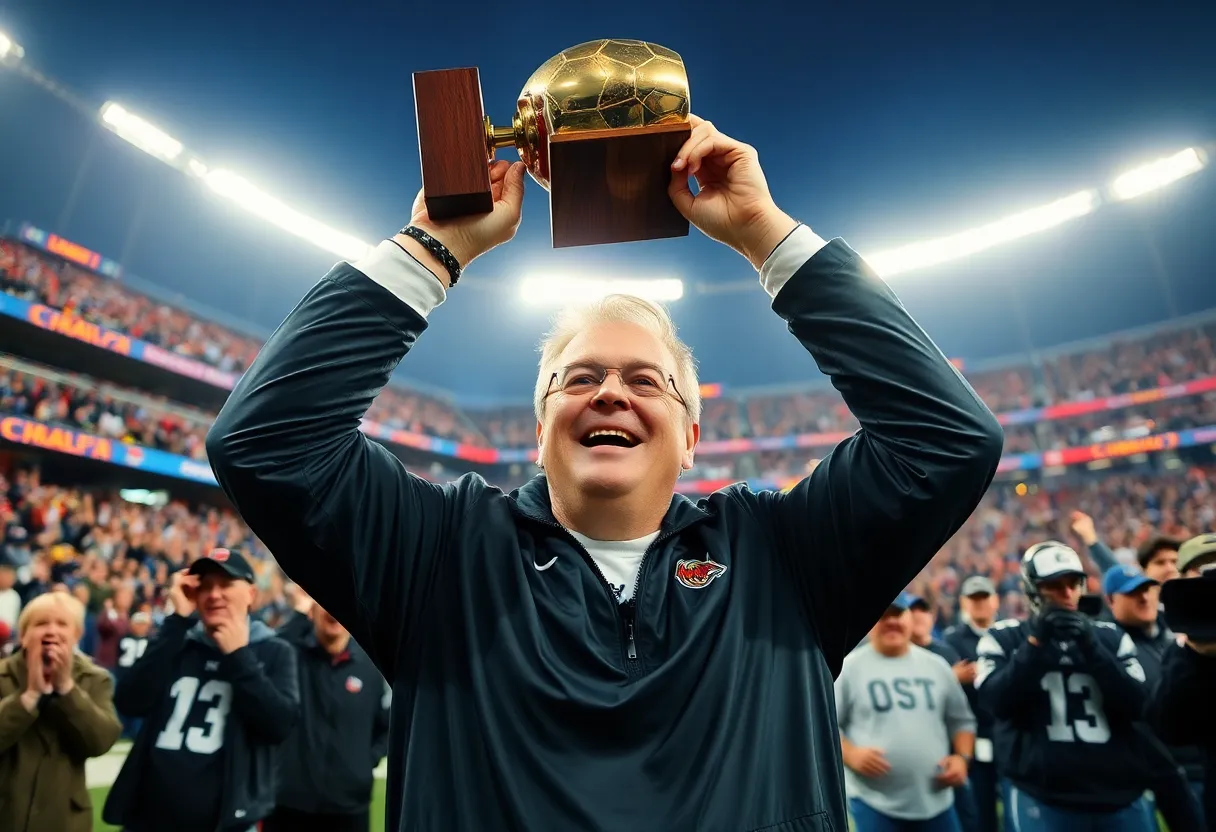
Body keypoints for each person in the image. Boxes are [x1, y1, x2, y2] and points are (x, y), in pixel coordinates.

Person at [206, 116, 1004, 831]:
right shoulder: (436, 553)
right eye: (579, 378)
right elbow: (266, 442)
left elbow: (947, 439)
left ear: (691, 438)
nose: (612, 391)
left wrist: (767, 234)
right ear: (541, 424)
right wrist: (431, 250)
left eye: (645, 379)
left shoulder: (784, 554)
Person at [102, 548, 300, 832]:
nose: (214, 594)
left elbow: (279, 725)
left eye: (226, 584)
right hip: (149, 819)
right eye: (205, 586)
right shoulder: (178, 641)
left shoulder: (274, 651)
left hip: (224, 823)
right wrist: (176, 620)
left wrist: (238, 656)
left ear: (251, 595)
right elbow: (130, 701)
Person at [975, 541, 1156, 831]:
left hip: (1119, 793)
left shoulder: (1109, 637)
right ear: (1033, 589)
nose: (1067, 593)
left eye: (1073, 583)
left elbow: (1140, 705)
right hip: (1045, 797)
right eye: (1054, 585)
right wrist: (1036, 645)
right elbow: (996, 702)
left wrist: (1091, 647)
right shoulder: (1006, 638)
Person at [836, 593, 976, 831]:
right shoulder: (848, 668)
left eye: (898, 614)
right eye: (882, 615)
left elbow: (961, 721)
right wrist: (851, 754)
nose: (891, 622)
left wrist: (962, 759)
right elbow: (825, 725)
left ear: (910, 619)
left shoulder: (936, 666)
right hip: (874, 802)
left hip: (936, 800)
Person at [0, 590, 123, 832]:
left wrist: (67, 689)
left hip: (64, 818)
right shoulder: (3, 676)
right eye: (41, 623)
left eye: (62, 624)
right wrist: (29, 696)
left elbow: (101, 741)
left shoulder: (95, 680)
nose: (51, 631)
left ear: (76, 635)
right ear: (23, 635)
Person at [266, 601, 391, 832]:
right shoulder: (290, 655)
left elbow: (388, 727)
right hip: (289, 804)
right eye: (324, 602)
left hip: (349, 807)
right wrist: (297, 614)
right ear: (311, 611)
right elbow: (269, 646)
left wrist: (364, 761)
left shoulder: (371, 667)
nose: (333, 611)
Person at [1101, 564, 1206, 829]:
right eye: (1133, 592)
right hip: (1145, 774)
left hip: (1196, 765)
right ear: (1111, 600)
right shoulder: (1108, 645)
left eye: (1148, 589)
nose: (1144, 597)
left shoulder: (1176, 636)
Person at [942, 576, 1000, 832]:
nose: (979, 604)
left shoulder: (1006, 633)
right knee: (980, 805)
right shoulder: (953, 639)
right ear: (964, 603)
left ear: (994, 601)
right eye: (973, 599)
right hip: (973, 731)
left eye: (983, 598)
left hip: (1005, 729)